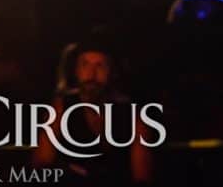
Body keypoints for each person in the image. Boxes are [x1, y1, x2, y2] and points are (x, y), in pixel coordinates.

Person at [33, 35, 153, 185]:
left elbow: (142, 176)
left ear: (112, 72)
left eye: (100, 66)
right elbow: (41, 165)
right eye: (85, 65)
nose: (91, 74)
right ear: (76, 71)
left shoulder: (132, 114)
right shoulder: (61, 108)